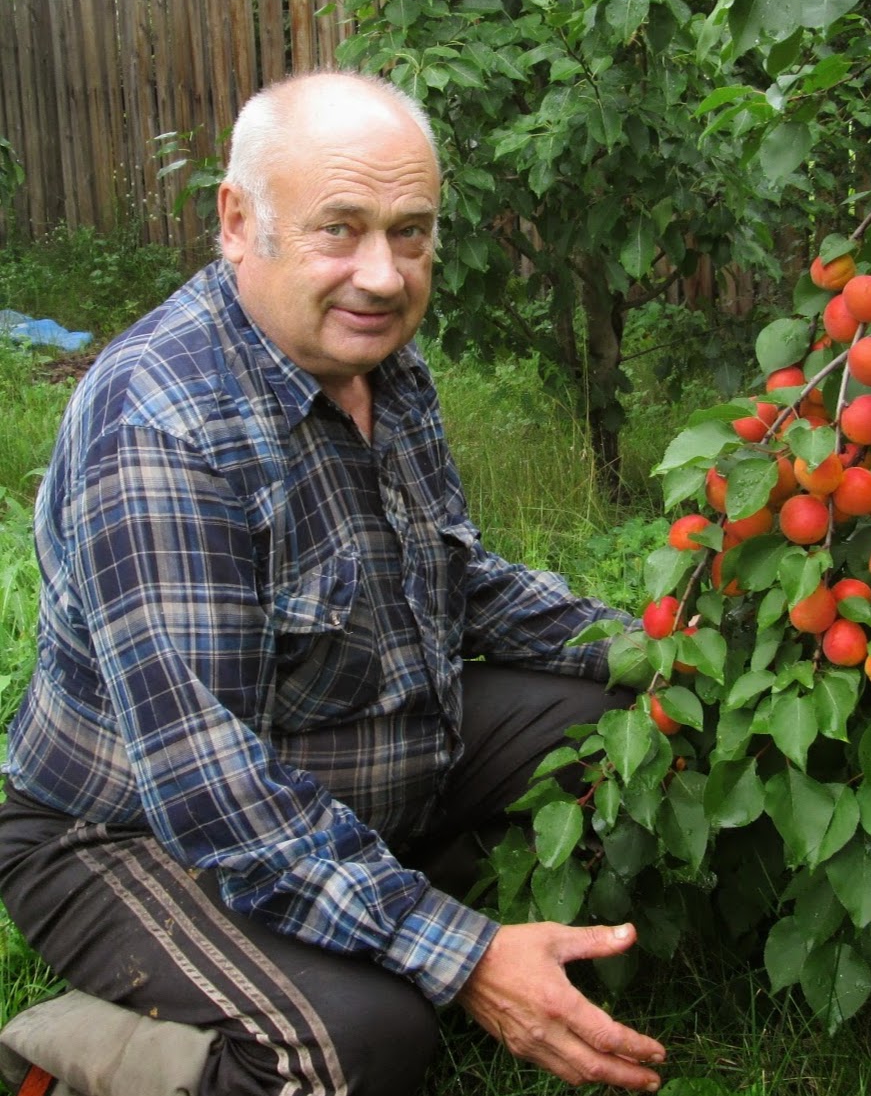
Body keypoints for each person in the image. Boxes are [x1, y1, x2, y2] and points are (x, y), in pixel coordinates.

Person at [0, 70, 666, 1095]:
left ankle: (366, 922)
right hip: (135, 830)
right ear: (237, 221)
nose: (385, 274)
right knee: (359, 1046)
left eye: (410, 232)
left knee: (625, 716)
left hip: (349, 750)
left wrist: (664, 643)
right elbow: (213, 792)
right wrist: (469, 958)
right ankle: (100, 1046)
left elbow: (460, 581)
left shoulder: (380, 365)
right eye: (340, 229)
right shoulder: (162, 432)